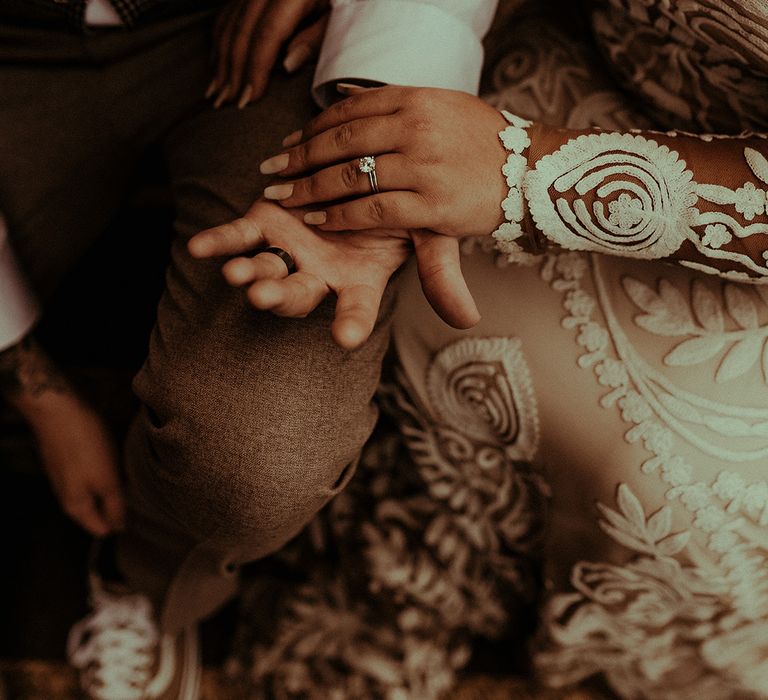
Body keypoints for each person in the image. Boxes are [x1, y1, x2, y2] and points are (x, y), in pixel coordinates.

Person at [192, 0, 768, 695]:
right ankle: (398, 573)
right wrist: (392, 46)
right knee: (416, 282)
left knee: (674, 483)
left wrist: (523, 174)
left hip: (730, 212)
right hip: (556, 48)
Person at [0, 1, 499, 698]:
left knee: (260, 456)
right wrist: (40, 395)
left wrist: (381, 93)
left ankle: (147, 587)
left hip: (268, 32)